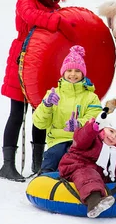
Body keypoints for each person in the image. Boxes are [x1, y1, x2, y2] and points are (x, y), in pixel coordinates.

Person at [0, 0, 78, 182]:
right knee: (17, 114)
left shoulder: (56, 7)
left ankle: (38, 163)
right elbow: (32, 16)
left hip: (43, 67)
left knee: (41, 114)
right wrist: (58, 21)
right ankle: (7, 165)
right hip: (21, 63)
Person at [33, 45, 103, 174]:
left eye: (77, 71)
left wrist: (79, 124)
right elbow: (39, 123)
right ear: (63, 72)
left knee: (76, 160)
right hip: (57, 140)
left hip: (80, 142)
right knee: (54, 156)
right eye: (69, 70)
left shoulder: (91, 97)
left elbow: (96, 118)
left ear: (83, 73)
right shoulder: (53, 94)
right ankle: (45, 177)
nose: (73, 74)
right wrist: (46, 105)